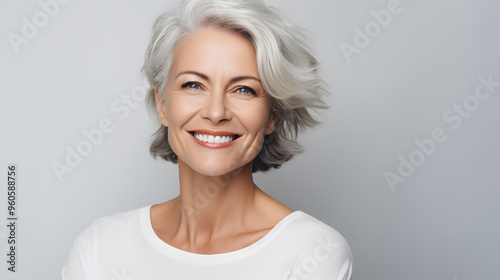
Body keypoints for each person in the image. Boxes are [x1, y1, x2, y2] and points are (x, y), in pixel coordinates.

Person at [62, 0, 352, 279]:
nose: (216, 113)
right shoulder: (100, 247)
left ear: (272, 114)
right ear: (162, 104)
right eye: (193, 84)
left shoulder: (313, 251)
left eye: (244, 90)